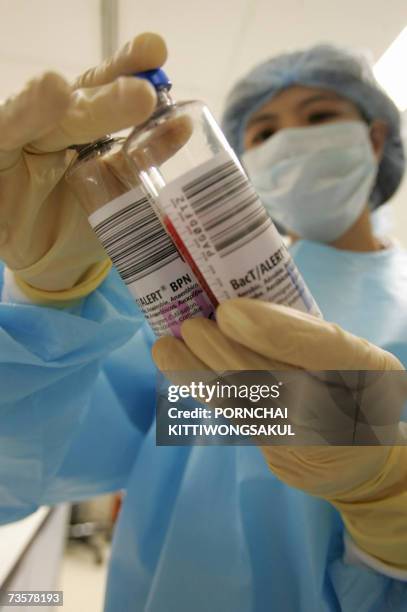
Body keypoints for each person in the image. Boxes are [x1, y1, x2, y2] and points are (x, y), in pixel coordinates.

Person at [0, 32, 405, 612]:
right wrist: (49, 297)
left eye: (319, 115)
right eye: (265, 131)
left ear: (375, 136)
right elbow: (17, 471)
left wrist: (389, 493)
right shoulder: (184, 305)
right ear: (242, 159)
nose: (291, 141)